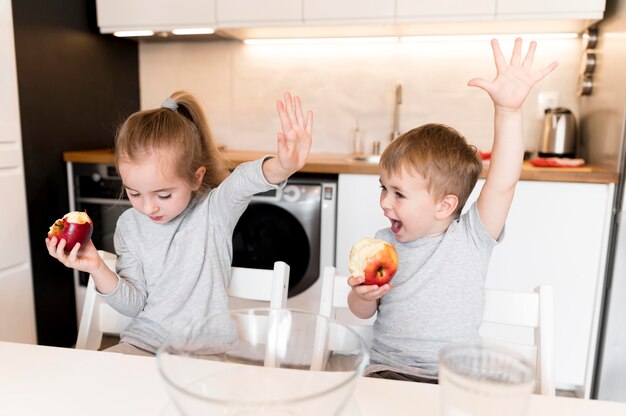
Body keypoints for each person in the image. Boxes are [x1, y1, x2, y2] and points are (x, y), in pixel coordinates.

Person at [347, 38, 558, 382]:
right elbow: (361, 312)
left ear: (445, 205)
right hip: (389, 372)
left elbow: (503, 181)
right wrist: (361, 295)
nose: (385, 202)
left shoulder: (473, 237)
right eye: (383, 188)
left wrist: (508, 111)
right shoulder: (383, 243)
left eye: (398, 193)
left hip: (457, 378)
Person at [46, 91, 312, 355]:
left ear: (196, 178)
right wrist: (96, 266)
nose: (148, 207)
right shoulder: (130, 226)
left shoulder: (214, 211)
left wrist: (283, 166)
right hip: (143, 344)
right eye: (134, 193)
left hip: (203, 353)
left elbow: (242, 181)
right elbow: (134, 304)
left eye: (163, 195)